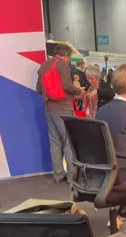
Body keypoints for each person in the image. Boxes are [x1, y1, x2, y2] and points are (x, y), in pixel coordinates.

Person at [37, 44, 85, 183]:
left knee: (55, 141)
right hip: (63, 107)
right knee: (68, 141)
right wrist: (78, 91)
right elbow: (66, 86)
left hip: (48, 107)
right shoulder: (62, 64)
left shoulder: (43, 65)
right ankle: (72, 177)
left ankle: (58, 174)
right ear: (66, 55)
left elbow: (39, 89)